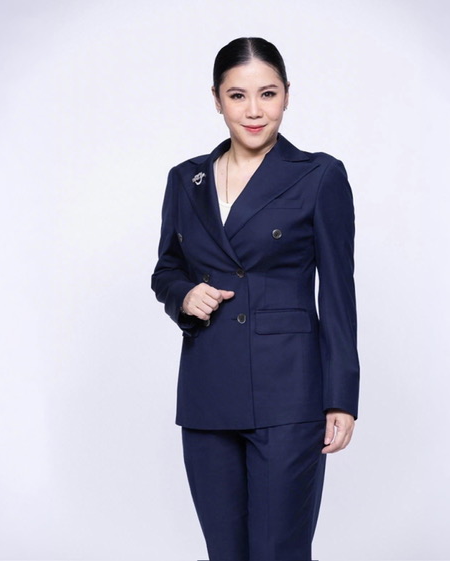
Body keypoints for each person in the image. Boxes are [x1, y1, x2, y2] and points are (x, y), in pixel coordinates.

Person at [152, 37, 360, 561]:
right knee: (225, 553)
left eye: (267, 94)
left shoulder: (318, 175)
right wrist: (184, 295)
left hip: (289, 392)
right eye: (237, 95)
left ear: (286, 95)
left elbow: (339, 293)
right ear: (216, 99)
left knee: (278, 551)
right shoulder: (186, 179)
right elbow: (166, 269)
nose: (253, 111)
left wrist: (340, 397)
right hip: (208, 388)